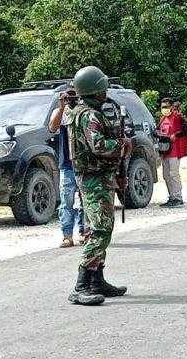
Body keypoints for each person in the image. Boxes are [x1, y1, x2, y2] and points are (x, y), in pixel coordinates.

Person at [67, 65, 132, 306]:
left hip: (96, 176)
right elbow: (98, 145)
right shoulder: (89, 115)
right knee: (101, 230)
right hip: (93, 178)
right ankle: (81, 285)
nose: (106, 91)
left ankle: (97, 280)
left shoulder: (78, 112)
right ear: (95, 90)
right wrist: (122, 145)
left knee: (101, 226)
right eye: (102, 86)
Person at [48, 89, 86, 248]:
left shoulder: (84, 110)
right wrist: (62, 106)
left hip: (84, 163)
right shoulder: (60, 111)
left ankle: (84, 232)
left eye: (73, 96)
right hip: (67, 164)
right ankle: (67, 235)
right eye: (67, 96)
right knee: (66, 201)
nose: (70, 99)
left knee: (85, 200)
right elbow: (52, 127)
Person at [157, 98, 187, 208]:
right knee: (166, 175)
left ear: (171, 107)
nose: (164, 109)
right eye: (162, 107)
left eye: (166, 106)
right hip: (165, 150)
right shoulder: (162, 119)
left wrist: (177, 135)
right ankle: (172, 197)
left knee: (173, 174)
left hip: (175, 151)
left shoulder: (178, 116)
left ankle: (178, 198)